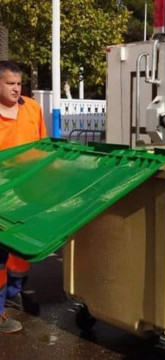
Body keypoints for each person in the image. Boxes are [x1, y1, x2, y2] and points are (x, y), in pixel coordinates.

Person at [0, 60, 47, 333]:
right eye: (10, 84)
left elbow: (42, 147)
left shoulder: (32, 108)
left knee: (21, 251)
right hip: (2, 193)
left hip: (28, 192)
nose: (16, 89)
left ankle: (14, 292)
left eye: (19, 84)